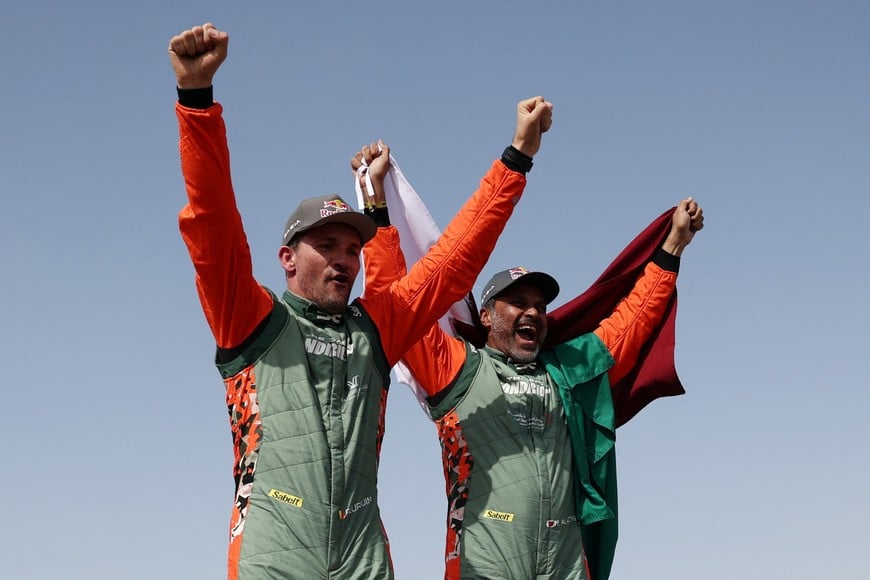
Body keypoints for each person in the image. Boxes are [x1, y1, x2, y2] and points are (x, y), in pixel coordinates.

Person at [168, 22, 553, 580]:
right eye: (326, 246)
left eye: (353, 247)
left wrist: (516, 158)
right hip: (274, 555)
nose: (345, 259)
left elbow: (454, 261)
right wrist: (197, 101)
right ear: (287, 259)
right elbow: (213, 225)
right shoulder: (250, 318)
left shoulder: (376, 326)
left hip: (363, 558)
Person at [355, 173, 703, 579]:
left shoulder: (567, 373)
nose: (533, 313)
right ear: (486, 316)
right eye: (517, 303)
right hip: (483, 561)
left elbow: (631, 322)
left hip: (566, 562)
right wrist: (377, 211)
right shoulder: (453, 366)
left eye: (539, 305)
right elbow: (397, 303)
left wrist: (673, 247)